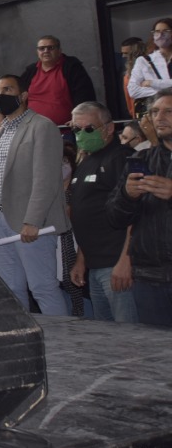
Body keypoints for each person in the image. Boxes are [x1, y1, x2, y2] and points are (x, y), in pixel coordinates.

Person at [0, 75, 71, 315]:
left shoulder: (42, 126)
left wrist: (33, 220)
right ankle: (24, 335)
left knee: (42, 287)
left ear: (23, 96)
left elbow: (46, 179)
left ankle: (63, 337)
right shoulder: (1, 130)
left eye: (7, 89)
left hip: (30, 222)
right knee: (10, 289)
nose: (1, 95)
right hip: (0, 218)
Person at [66, 101, 137, 323]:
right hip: (94, 266)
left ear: (108, 128)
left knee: (129, 335)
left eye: (88, 129)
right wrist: (81, 260)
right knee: (106, 336)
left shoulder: (121, 157)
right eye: (76, 129)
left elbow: (135, 212)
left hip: (116, 264)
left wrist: (126, 262)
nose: (81, 134)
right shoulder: (86, 161)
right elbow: (86, 215)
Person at [109, 92, 172, 325]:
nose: (159, 117)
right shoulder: (141, 159)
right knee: (154, 347)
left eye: (168, 111)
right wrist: (128, 196)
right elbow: (115, 218)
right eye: (154, 112)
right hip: (149, 278)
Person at [18, 35, 97, 127]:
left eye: (50, 48)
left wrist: (79, 119)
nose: (46, 51)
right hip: (31, 128)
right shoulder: (30, 71)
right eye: (42, 48)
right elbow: (18, 96)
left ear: (59, 51)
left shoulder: (72, 68)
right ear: (37, 52)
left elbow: (85, 96)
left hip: (64, 129)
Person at [128, 19, 172, 116]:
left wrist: (152, 83)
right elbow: (133, 90)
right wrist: (165, 91)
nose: (160, 35)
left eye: (166, 31)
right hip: (156, 113)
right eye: (157, 32)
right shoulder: (143, 61)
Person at [120, 37, 146, 119]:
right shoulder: (127, 73)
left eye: (126, 53)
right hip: (135, 114)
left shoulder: (148, 69)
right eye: (122, 53)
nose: (123, 56)